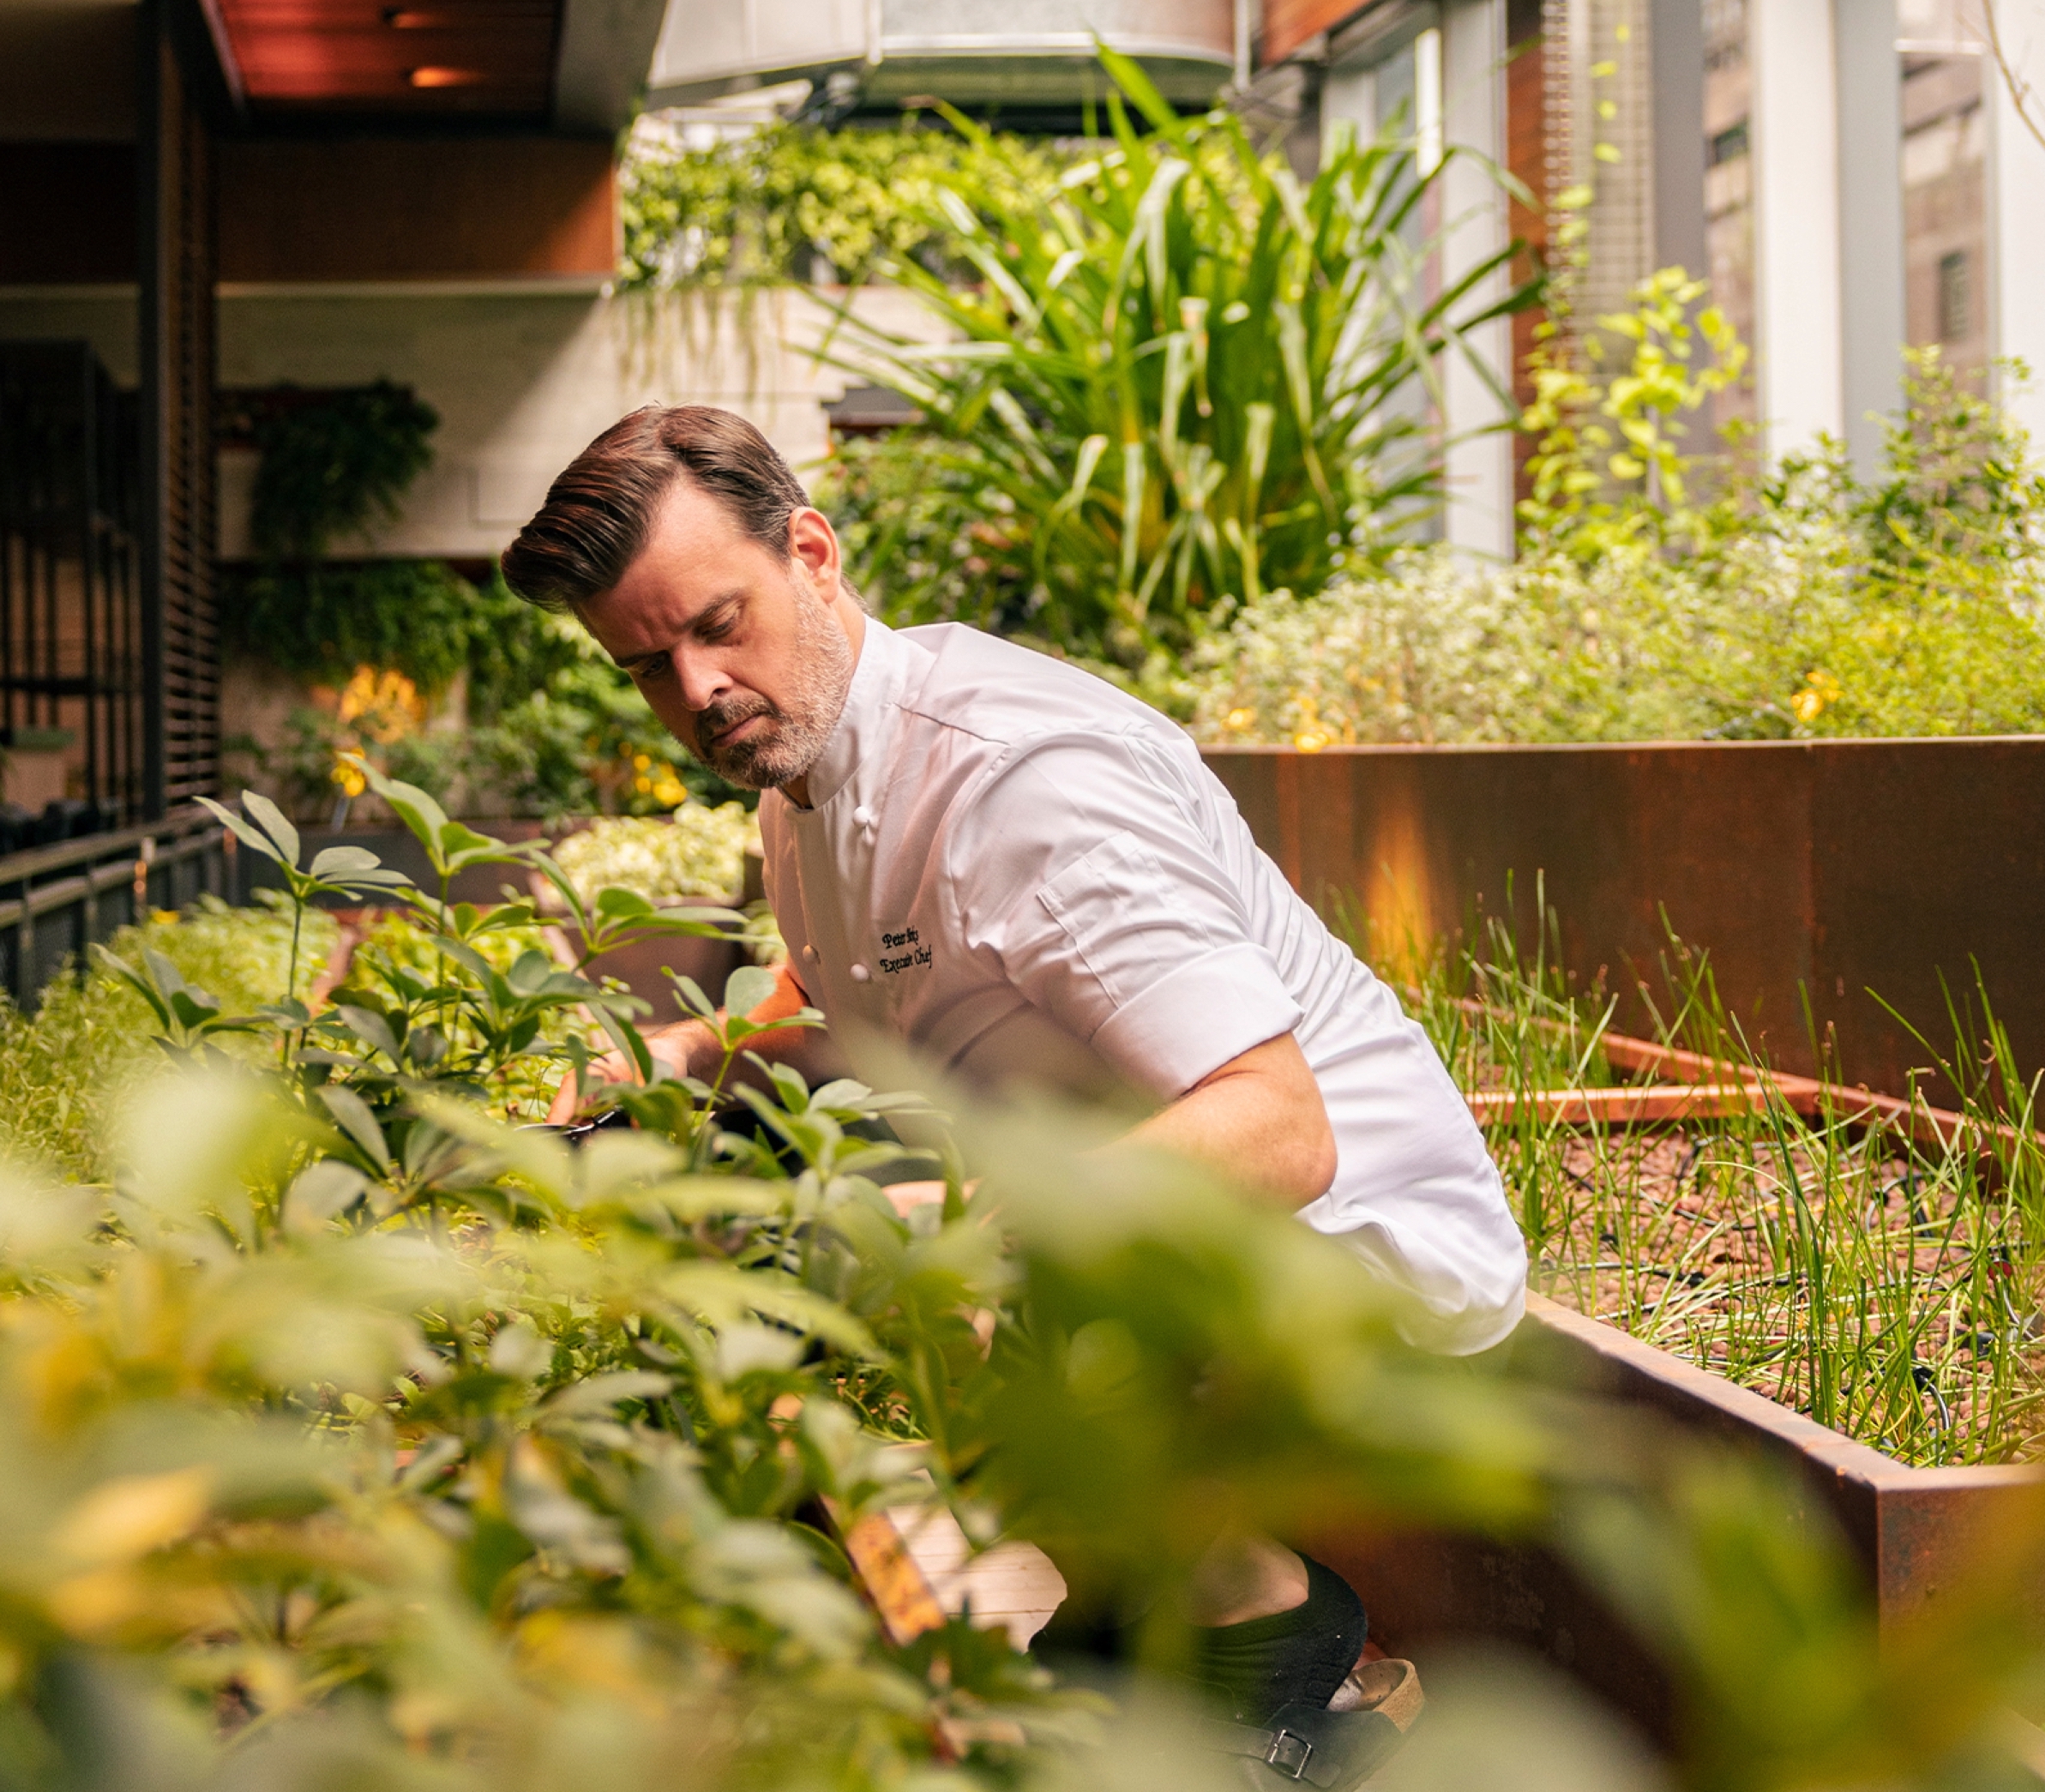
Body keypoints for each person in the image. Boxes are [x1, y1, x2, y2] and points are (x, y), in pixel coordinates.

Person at [504, 405, 1526, 1767]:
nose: (696, 690)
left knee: (896, 1245)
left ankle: (1267, 1615)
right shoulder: (802, 783)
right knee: (775, 1173)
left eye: (717, 623)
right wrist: (687, 1052)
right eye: (648, 664)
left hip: (1353, 1252)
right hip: (1142, 1237)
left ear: (811, 550)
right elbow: (851, 999)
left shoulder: (1023, 783)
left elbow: (1281, 1126)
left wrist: (972, 1214)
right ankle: (1135, 1612)